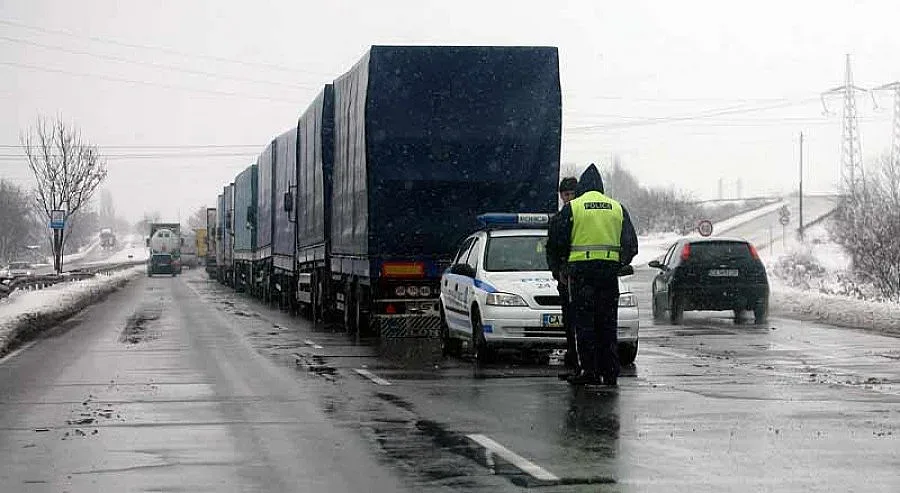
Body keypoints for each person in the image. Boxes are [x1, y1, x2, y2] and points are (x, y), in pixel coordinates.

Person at [547, 164, 638, 386]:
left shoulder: (574, 208)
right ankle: (610, 371)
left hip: (581, 276)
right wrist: (617, 264)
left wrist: (560, 269)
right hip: (608, 276)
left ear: (582, 188)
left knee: (583, 324)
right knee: (607, 324)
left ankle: (588, 370)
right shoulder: (617, 208)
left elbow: (556, 242)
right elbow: (631, 244)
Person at [547, 176, 578, 379]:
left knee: (579, 321)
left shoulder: (579, 216)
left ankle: (579, 358)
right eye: (565, 195)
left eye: (571, 194)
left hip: (578, 277)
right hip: (566, 278)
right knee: (570, 320)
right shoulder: (559, 219)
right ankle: (574, 354)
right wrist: (557, 272)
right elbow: (552, 250)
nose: (568, 198)